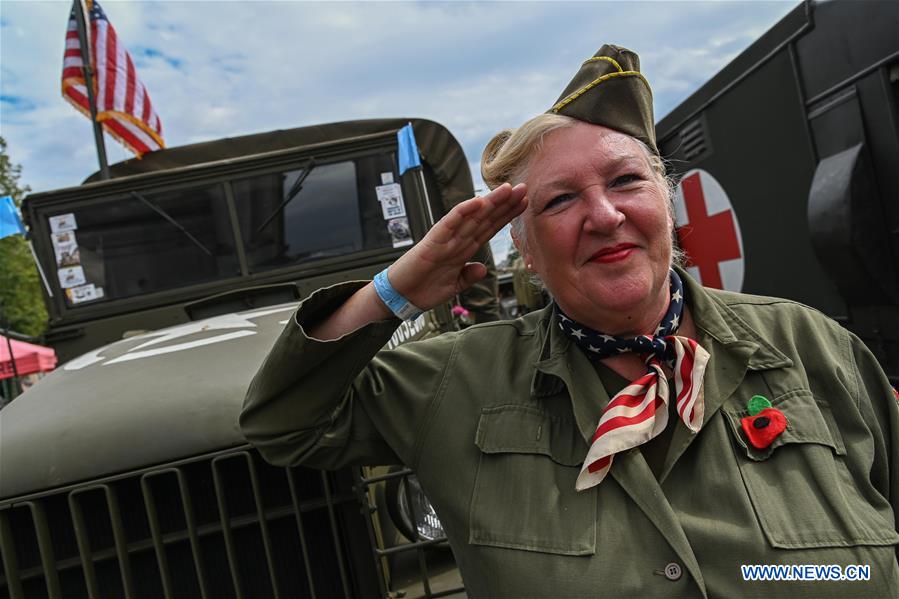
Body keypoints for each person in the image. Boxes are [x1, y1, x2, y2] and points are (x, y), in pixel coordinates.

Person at [241, 45, 899, 597]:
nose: (604, 215)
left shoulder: (811, 347)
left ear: (664, 203)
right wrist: (395, 289)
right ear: (522, 249)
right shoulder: (458, 380)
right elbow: (284, 423)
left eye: (624, 181)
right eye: (560, 199)